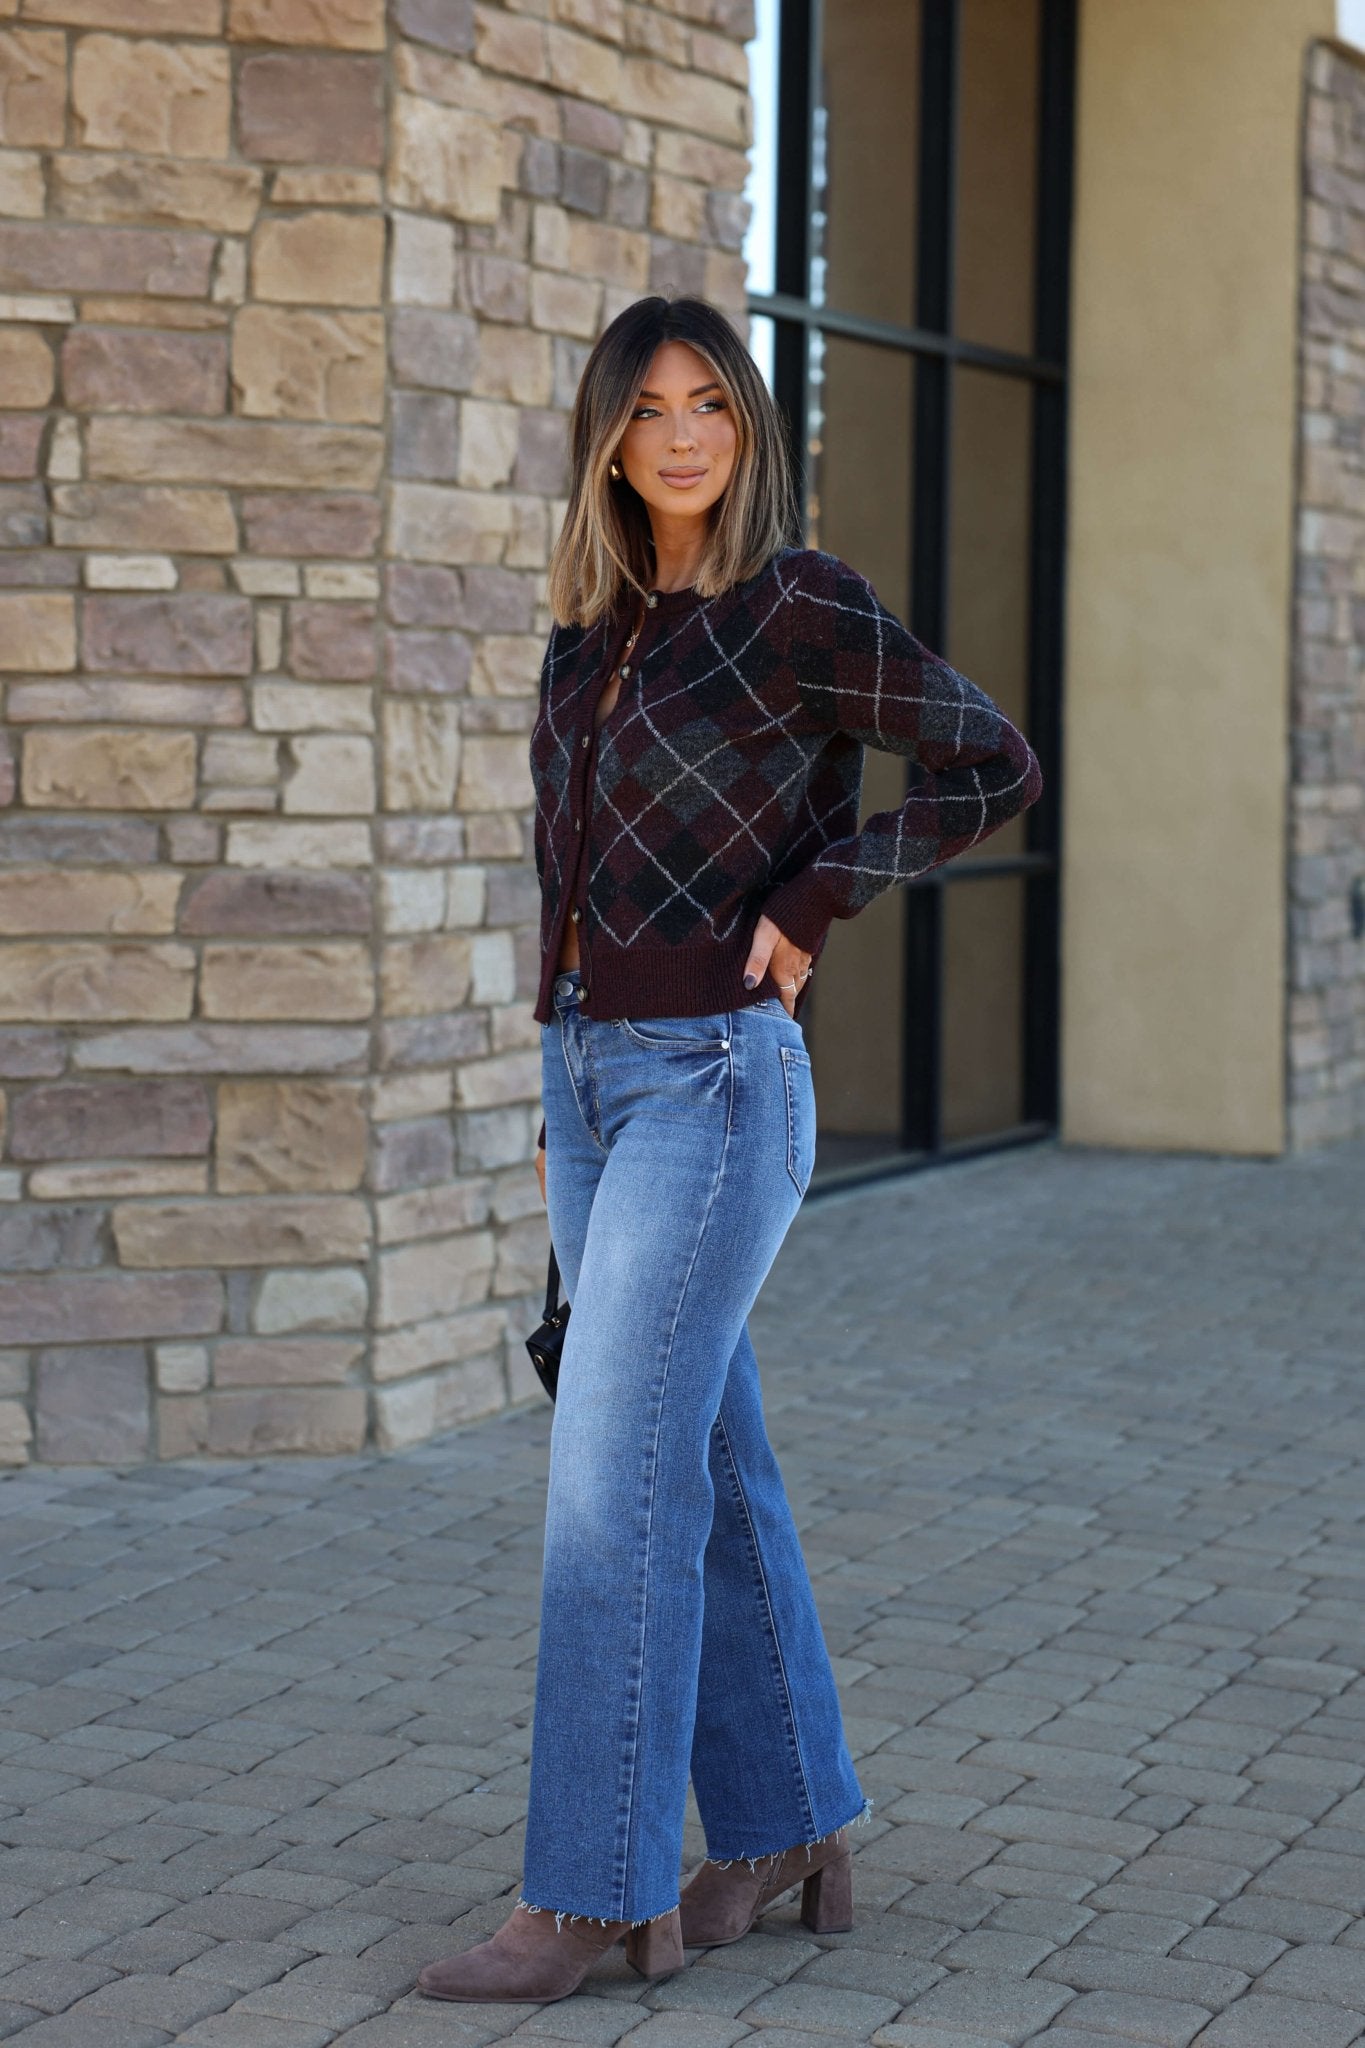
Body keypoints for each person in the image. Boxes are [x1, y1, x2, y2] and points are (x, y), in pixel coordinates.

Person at [417, 295, 1043, 2005]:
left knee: (607, 1494)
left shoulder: (800, 608)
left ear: (747, 428)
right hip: (592, 1086)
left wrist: (820, 890)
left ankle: (586, 1891)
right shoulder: (587, 634)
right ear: (606, 442)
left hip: (714, 1082)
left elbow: (991, 762)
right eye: (649, 410)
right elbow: (570, 899)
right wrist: (559, 1127)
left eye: (712, 404)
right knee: (699, 1471)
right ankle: (784, 1826)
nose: (683, 435)